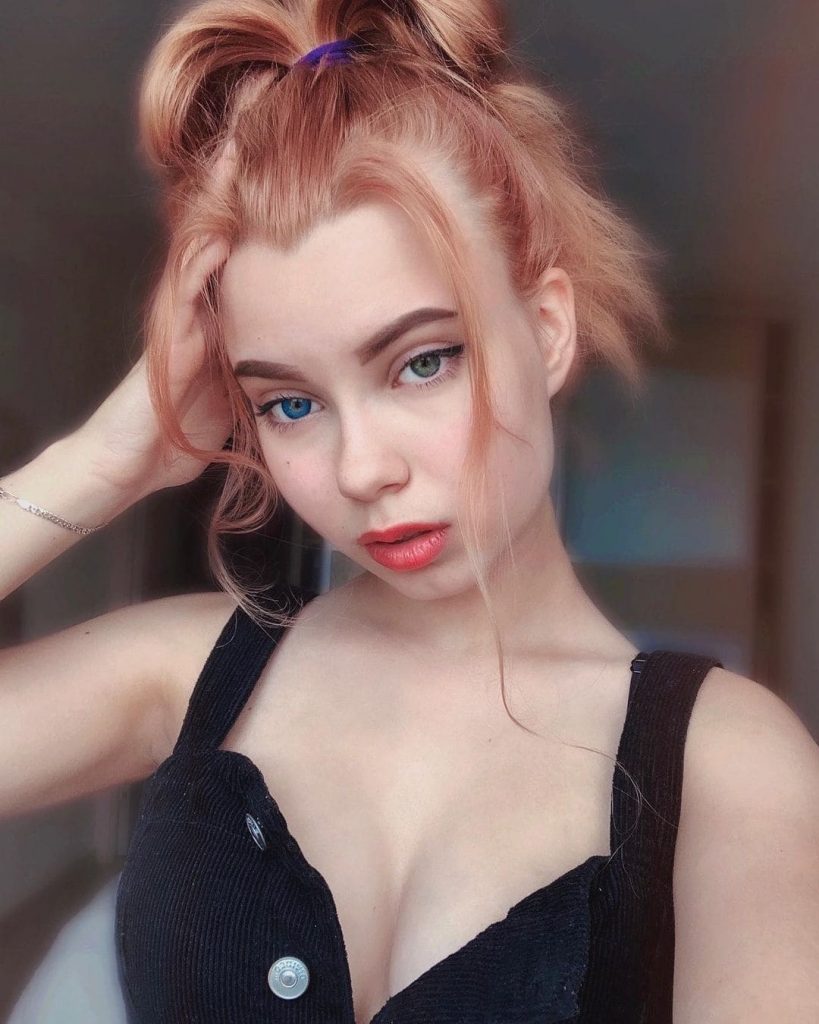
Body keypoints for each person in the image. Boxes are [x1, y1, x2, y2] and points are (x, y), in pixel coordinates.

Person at [1, 0, 817, 1021]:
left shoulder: (725, 763)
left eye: (422, 361)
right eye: (289, 403)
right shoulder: (190, 670)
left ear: (547, 329)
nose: (362, 468)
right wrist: (101, 461)